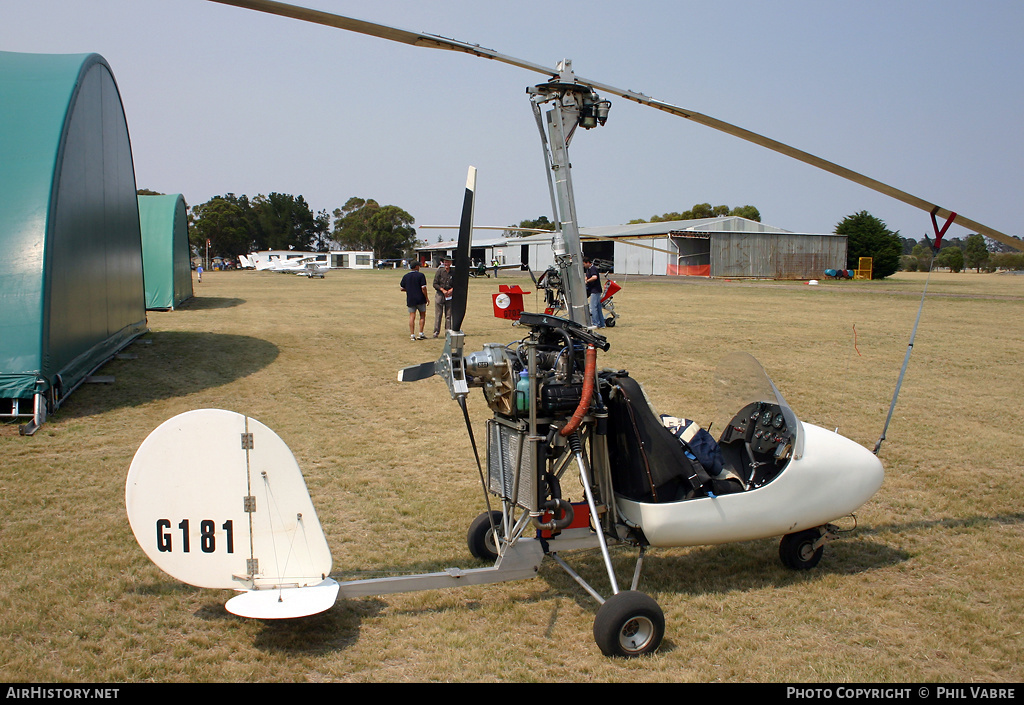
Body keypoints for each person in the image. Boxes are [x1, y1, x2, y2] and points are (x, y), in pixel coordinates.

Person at [400, 260, 429, 340]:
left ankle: (412, 335)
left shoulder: (406, 276)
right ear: (416, 267)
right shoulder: (421, 275)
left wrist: (410, 290)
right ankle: (421, 333)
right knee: (422, 315)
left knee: (412, 316)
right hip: (420, 298)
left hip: (410, 298)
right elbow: (423, 288)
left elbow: (402, 288)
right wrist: (426, 297)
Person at [432, 257, 454, 338]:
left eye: (448, 262)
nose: (446, 263)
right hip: (440, 294)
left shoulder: (453, 272)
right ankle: (436, 332)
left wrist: (452, 290)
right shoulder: (440, 271)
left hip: (449, 295)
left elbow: (457, 283)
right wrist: (442, 290)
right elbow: (435, 283)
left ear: (451, 263)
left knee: (448, 315)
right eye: (445, 262)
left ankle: (448, 332)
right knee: (438, 314)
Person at [583, 257, 604, 328]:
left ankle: (595, 324)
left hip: (595, 290)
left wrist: (587, 281)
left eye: (584, 264)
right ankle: (602, 324)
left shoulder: (593, 268)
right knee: (598, 307)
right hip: (594, 290)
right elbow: (587, 276)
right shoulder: (588, 269)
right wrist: (585, 279)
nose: (583, 266)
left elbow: (594, 277)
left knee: (593, 307)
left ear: (588, 263)